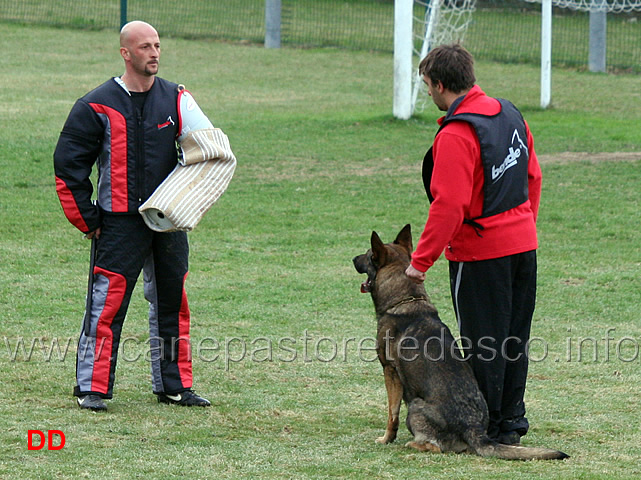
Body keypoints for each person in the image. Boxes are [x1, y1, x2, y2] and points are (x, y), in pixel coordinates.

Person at [54, 21, 211, 411]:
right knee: (105, 307)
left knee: (174, 303)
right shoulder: (95, 104)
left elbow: (209, 146)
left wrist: (192, 199)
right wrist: (87, 219)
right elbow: (68, 166)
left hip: (168, 222)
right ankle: (92, 389)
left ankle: (175, 387)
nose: (154, 53)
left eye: (158, 45)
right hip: (119, 224)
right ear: (126, 53)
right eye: (145, 47)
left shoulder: (177, 97)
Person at [405, 44, 542, 445]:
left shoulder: (457, 133)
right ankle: (512, 422)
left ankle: (484, 427)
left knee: (484, 340)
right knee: (515, 336)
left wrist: (420, 263)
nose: (428, 92)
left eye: (428, 85)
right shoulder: (511, 114)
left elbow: (449, 205)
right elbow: (532, 177)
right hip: (523, 245)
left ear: (442, 85)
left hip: (481, 254)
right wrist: (523, 226)